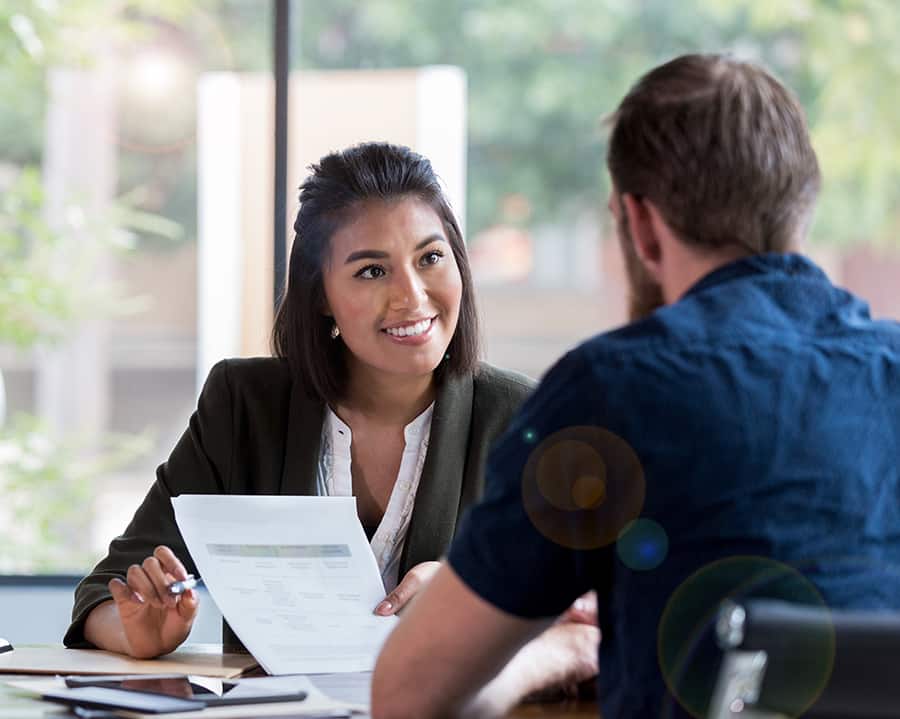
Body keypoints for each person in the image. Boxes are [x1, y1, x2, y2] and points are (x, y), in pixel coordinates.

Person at [371, 54, 900, 719]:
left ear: (641, 223)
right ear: (801, 203)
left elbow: (407, 695)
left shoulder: (613, 390)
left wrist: (554, 652)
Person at [64, 142, 597, 700]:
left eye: (430, 258)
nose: (411, 296)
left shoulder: (523, 418)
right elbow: (106, 590)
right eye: (371, 271)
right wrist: (137, 632)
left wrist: (475, 595)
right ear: (321, 294)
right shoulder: (244, 405)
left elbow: (592, 608)